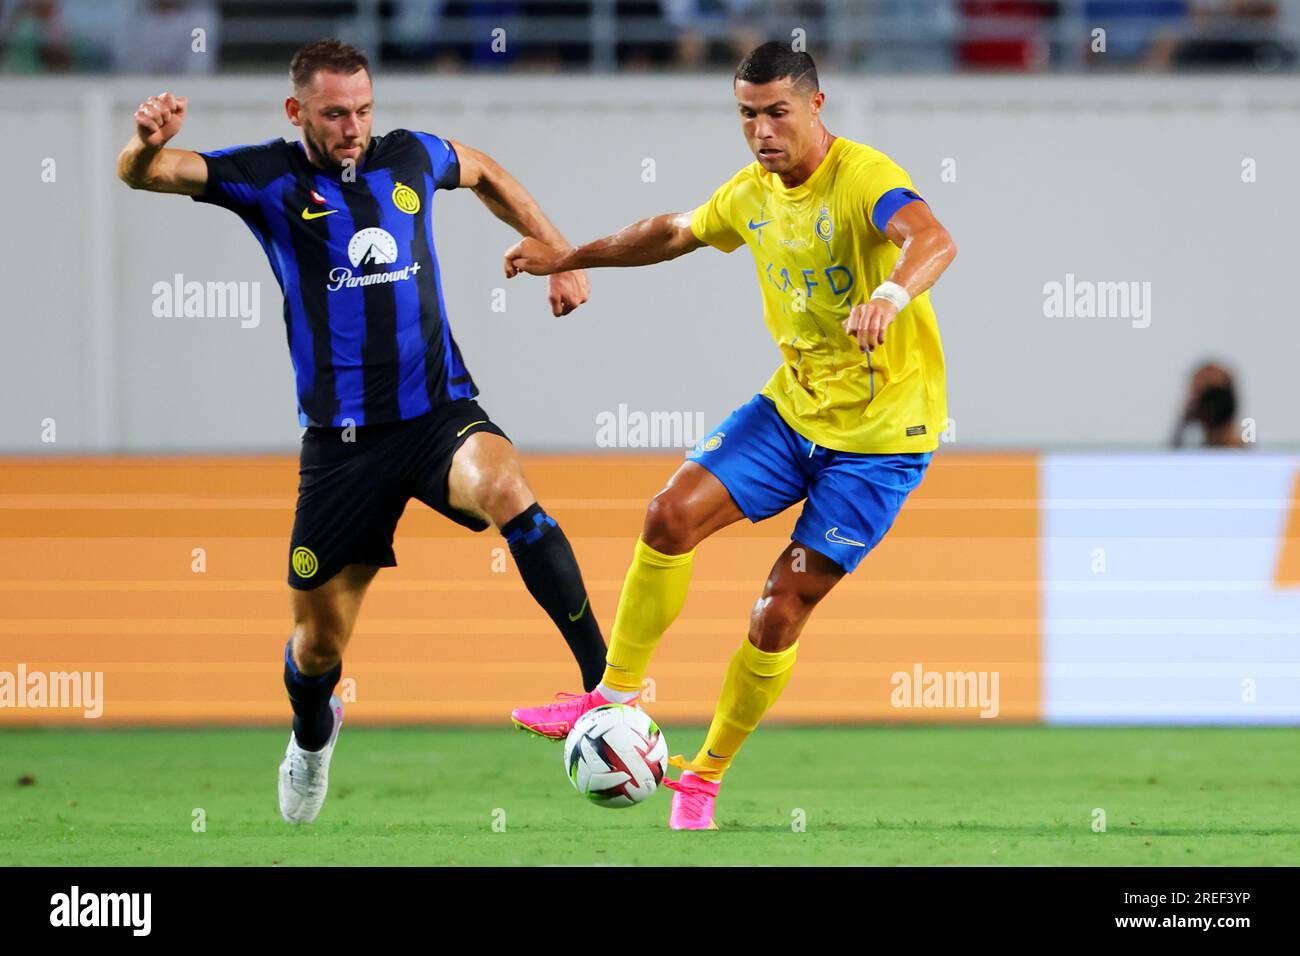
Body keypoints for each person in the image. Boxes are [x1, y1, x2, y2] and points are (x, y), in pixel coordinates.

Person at [116, 38, 607, 825]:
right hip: (342, 449)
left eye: (363, 110)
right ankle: (314, 734)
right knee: (317, 648)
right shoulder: (268, 177)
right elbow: (150, 176)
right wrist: (146, 145)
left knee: (507, 488)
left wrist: (559, 251)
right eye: (336, 114)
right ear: (297, 111)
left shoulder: (409, 158)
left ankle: (601, 686)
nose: (353, 127)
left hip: (438, 415)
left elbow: (484, 169)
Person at [507, 42, 956, 829]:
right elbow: (672, 231)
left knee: (778, 610)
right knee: (668, 515)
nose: (760, 130)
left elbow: (933, 238)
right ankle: (609, 695)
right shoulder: (751, 193)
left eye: (777, 111)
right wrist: (570, 255)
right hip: (791, 412)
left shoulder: (863, 177)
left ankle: (702, 777)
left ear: (816, 107)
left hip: (882, 439)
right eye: (747, 114)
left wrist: (887, 294)